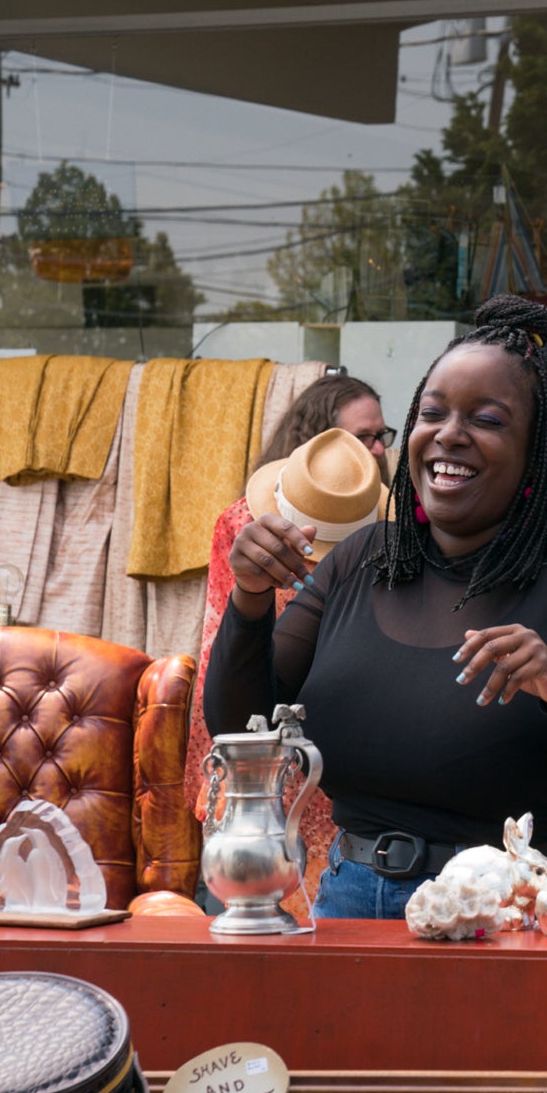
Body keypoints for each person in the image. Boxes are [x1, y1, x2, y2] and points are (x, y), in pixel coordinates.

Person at [205, 295, 547, 920]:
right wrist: (250, 600)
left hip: (513, 915)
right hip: (354, 903)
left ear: (537, 453)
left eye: (488, 420)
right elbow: (240, 724)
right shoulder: (360, 561)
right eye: (431, 412)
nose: (449, 433)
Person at [188, 374, 395, 918]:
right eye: (362, 438)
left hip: (354, 738)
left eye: (381, 436)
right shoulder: (244, 523)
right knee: (265, 895)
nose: (376, 451)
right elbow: (221, 632)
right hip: (267, 727)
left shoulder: (391, 521)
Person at [255, 374, 392, 468]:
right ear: (317, 443)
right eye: (362, 437)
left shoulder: (387, 505)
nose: (380, 449)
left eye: (381, 434)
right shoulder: (257, 508)